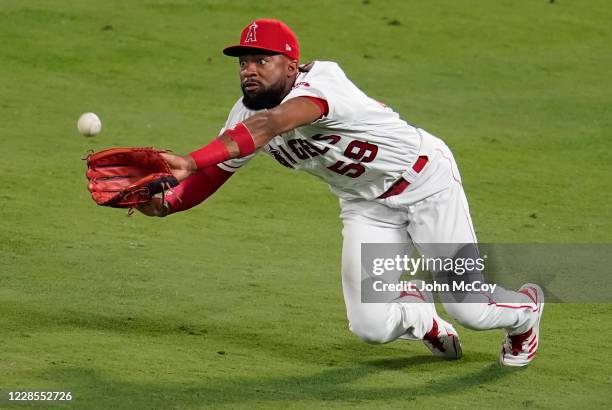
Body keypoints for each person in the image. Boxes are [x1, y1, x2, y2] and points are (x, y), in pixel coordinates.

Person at [138, 19, 544, 366]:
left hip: (426, 185)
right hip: (366, 207)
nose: (249, 70)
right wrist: (168, 203)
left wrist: (190, 160)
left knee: (471, 309)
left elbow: (271, 125)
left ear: (291, 65)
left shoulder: (324, 83)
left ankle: (526, 311)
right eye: (244, 62)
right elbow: (217, 172)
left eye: (262, 60)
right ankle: (421, 317)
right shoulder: (243, 114)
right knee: (369, 327)